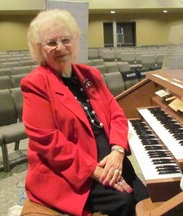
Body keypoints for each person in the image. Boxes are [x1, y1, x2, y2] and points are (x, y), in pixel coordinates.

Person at [21, 9, 149, 216]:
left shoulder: (91, 74)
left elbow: (116, 113)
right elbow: (49, 143)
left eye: (65, 39)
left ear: (75, 41)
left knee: (145, 198)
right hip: (70, 170)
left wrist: (117, 151)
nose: (61, 47)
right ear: (39, 49)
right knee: (124, 202)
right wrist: (96, 171)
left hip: (110, 158)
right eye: (51, 43)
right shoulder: (35, 84)